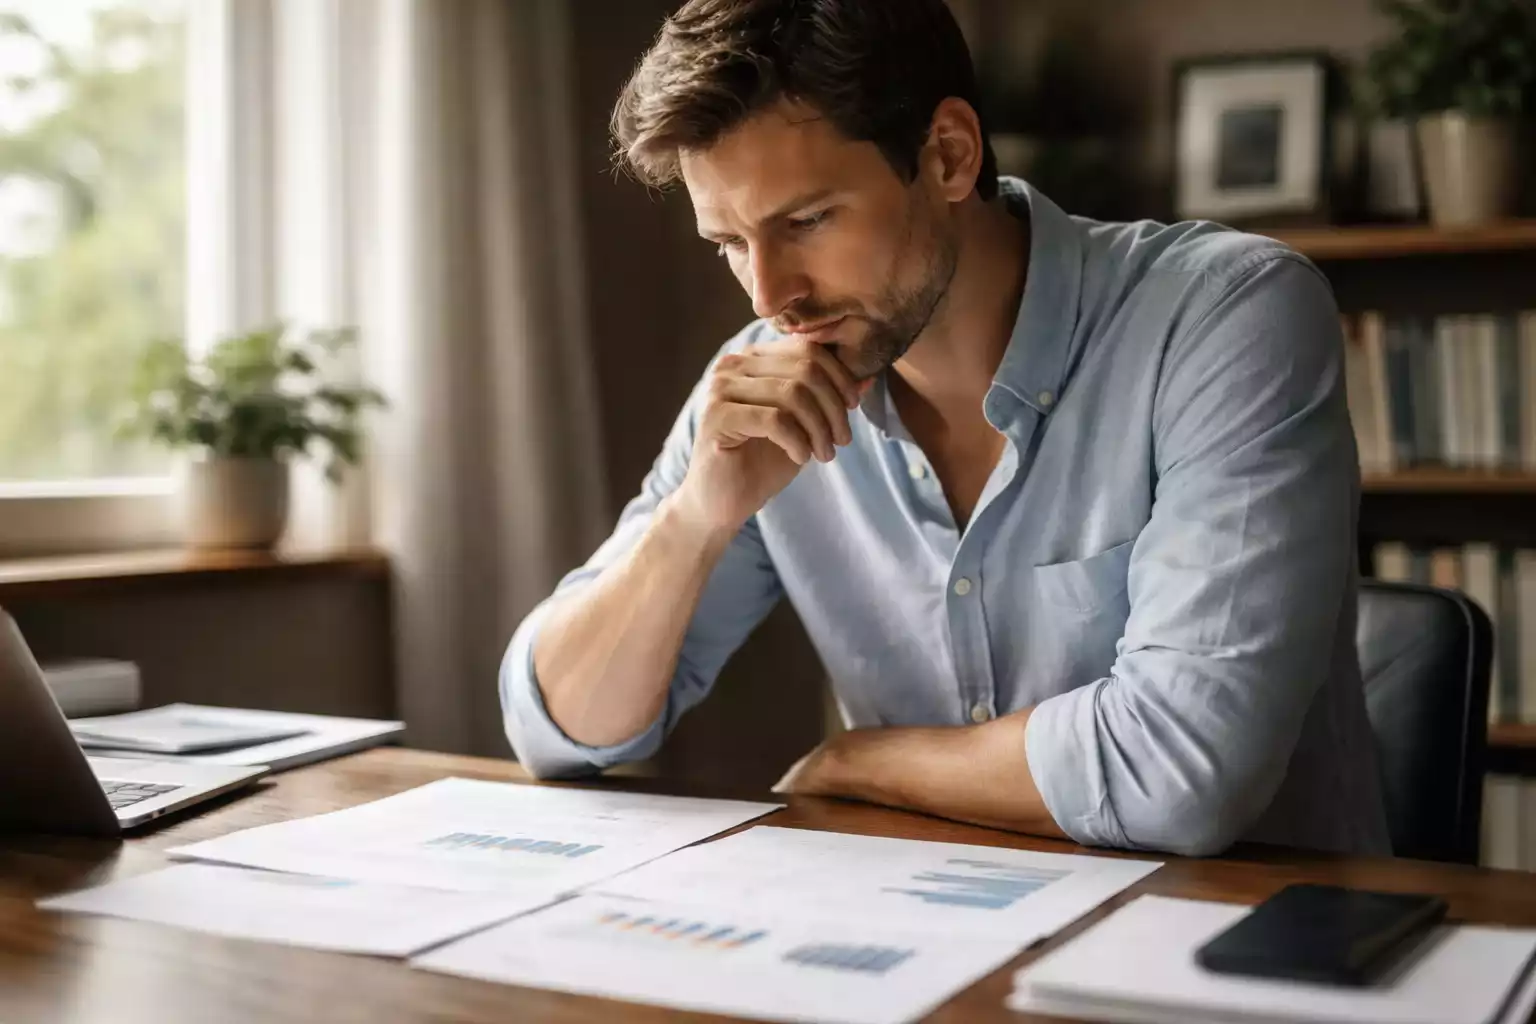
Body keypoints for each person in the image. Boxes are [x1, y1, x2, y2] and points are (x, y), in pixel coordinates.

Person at [500, 0, 1389, 858]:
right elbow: (559, 730)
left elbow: (1186, 773)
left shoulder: (1226, 317)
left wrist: (863, 760)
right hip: (939, 954)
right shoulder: (765, 379)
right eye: (727, 243)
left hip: (1251, 958)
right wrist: (695, 520)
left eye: (806, 221)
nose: (772, 295)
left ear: (950, 155)